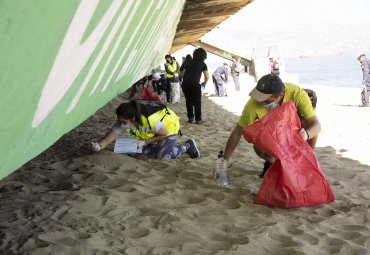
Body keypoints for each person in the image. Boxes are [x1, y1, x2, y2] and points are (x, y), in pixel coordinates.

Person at [220, 74, 321, 178]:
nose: (261, 102)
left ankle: (305, 161)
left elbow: (317, 125)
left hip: (294, 129)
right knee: (259, 146)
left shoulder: (297, 93)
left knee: (309, 127)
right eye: (259, 98)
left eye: (266, 100)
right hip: (273, 133)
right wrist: (224, 162)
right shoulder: (254, 103)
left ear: (280, 95)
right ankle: (274, 164)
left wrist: (306, 135)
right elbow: (237, 132)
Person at [91, 100, 200, 159]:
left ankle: (187, 146)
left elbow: (163, 133)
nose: (121, 124)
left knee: (162, 156)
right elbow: (110, 137)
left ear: (133, 119)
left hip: (168, 130)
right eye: (120, 121)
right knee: (135, 151)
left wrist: (145, 142)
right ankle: (156, 146)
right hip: (155, 132)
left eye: (124, 122)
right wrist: (99, 146)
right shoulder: (124, 117)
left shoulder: (149, 119)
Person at [181, 47, 209, 124]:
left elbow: (182, 74)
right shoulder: (203, 64)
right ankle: (198, 119)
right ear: (203, 56)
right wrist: (204, 84)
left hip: (185, 84)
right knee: (197, 102)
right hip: (195, 84)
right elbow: (207, 77)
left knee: (188, 100)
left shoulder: (188, 62)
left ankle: (190, 118)